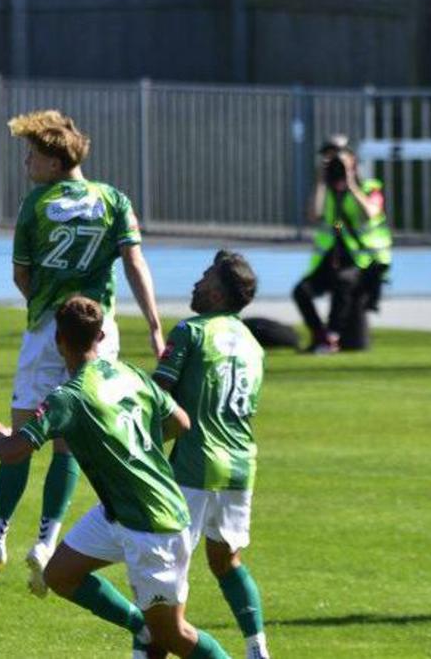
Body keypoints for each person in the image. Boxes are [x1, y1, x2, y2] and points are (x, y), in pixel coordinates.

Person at [0, 109, 165, 597]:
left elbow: (21, 274)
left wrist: (42, 301)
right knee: (67, 441)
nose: (26, 164)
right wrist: (154, 323)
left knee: (21, 433)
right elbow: (135, 263)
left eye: (33, 156)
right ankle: (46, 540)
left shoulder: (36, 204)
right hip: (97, 335)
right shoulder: (114, 200)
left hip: (46, 332)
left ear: (56, 163)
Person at [0, 296, 229, 658]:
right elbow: (180, 422)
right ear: (103, 335)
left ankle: (155, 634)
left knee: (173, 635)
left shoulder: (67, 397)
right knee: (60, 574)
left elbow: (13, 452)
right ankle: (140, 628)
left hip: (153, 525)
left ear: (58, 341)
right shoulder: (130, 373)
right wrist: (140, 447)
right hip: (117, 513)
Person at [154, 251, 271, 659]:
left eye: (205, 277)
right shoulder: (255, 347)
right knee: (226, 561)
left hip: (194, 465)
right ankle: (258, 649)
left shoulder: (191, 331)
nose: (196, 283)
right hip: (240, 467)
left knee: (165, 574)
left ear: (218, 293)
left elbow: (159, 399)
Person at [292, 135, 392, 353]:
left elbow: (369, 214)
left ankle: (333, 336)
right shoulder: (326, 191)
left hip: (364, 263)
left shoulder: (369, 188)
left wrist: (351, 183)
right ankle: (320, 336)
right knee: (301, 291)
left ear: (353, 161)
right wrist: (320, 181)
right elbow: (314, 214)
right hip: (331, 259)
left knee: (343, 281)